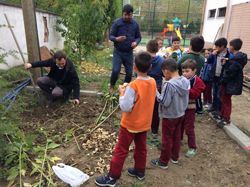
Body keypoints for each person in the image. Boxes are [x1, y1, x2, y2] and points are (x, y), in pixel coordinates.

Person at [95, 51, 156, 187]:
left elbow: (126, 107)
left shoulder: (133, 86)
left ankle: (112, 177)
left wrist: (122, 94)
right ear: (150, 67)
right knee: (141, 148)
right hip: (144, 123)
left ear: (134, 66)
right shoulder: (152, 82)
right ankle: (139, 171)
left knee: (121, 150)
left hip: (130, 125)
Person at [151, 58, 190, 169]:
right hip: (181, 113)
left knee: (167, 138)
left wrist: (156, 92)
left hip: (170, 116)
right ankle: (174, 156)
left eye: (163, 73)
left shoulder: (169, 85)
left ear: (166, 71)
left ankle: (163, 161)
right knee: (177, 136)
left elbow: (164, 102)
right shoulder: (185, 81)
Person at [109, 4, 142, 93]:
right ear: (123, 13)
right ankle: (112, 85)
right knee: (115, 70)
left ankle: (125, 88)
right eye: (125, 15)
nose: (127, 17)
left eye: (129, 15)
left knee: (129, 72)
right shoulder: (117, 23)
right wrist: (117, 39)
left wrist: (136, 42)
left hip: (129, 52)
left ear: (132, 14)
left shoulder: (135, 24)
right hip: (118, 51)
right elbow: (110, 36)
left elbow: (139, 37)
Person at [214, 38, 247, 126]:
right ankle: (222, 115)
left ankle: (226, 119)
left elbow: (229, 74)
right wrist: (226, 63)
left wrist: (222, 81)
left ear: (231, 47)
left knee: (226, 101)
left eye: (229, 46)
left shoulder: (235, 61)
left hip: (228, 84)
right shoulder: (236, 59)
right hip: (228, 83)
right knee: (223, 99)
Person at [181, 59, 205, 158]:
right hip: (181, 106)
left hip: (190, 108)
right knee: (179, 125)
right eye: (183, 71)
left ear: (194, 70)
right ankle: (179, 140)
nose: (184, 74)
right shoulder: (182, 79)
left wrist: (185, 90)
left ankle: (192, 147)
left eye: (187, 71)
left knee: (189, 128)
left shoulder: (197, 81)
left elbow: (195, 94)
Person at [206, 38, 233, 115]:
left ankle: (219, 108)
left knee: (219, 93)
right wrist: (211, 55)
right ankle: (214, 106)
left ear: (222, 46)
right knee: (214, 92)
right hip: (214, 75)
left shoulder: (229, 54)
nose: (215, 48)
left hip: (222, 77)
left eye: (217, 47)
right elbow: (209, 61)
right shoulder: (215, 53)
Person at [146, 39, 165, 136]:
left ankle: (143, 126)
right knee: (155, 110)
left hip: (145, 87)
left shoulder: (144, 59)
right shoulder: (162, 61)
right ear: (158, 49)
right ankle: (154, 129)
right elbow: (164, 74)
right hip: (157, 88)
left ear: (147, 49)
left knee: (144, 107)